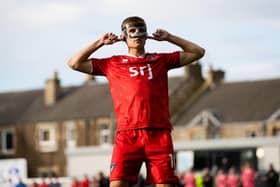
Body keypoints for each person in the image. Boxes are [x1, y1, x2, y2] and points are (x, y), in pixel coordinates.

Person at [68, 16, 205, 187]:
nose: (138, 34)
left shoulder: (160, 60)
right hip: (128, 134)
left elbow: (198, 52)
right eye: (132, 31)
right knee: (117, 184)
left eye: (141, 30)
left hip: (158, 134)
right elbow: (74, 63)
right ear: (124, 36)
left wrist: (169, 38)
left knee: (165, 184)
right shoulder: (113, 63)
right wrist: (100, 43)